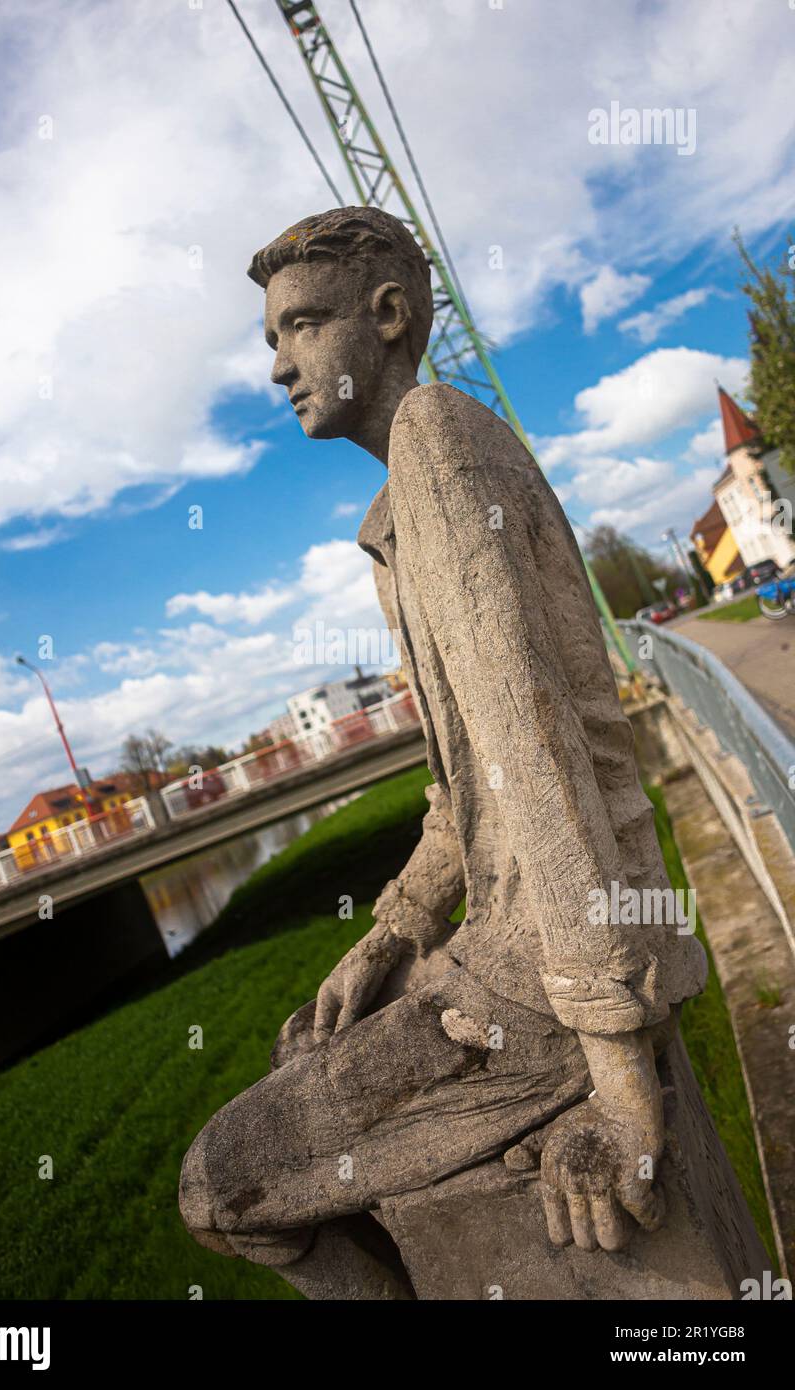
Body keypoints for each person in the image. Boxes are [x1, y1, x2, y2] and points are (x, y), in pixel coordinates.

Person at [179, 206, 707, 1299]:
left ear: (386, 316)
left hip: (547, 971)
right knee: (310, 1043)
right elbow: (468, 786)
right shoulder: (401, 501)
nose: (278, 366)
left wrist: (615, 1071)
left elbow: (537, 753)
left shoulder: (433, 438)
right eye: (269, 342)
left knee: (216, 1184)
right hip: (515, 942)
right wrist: (386, 938)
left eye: (300, 326)